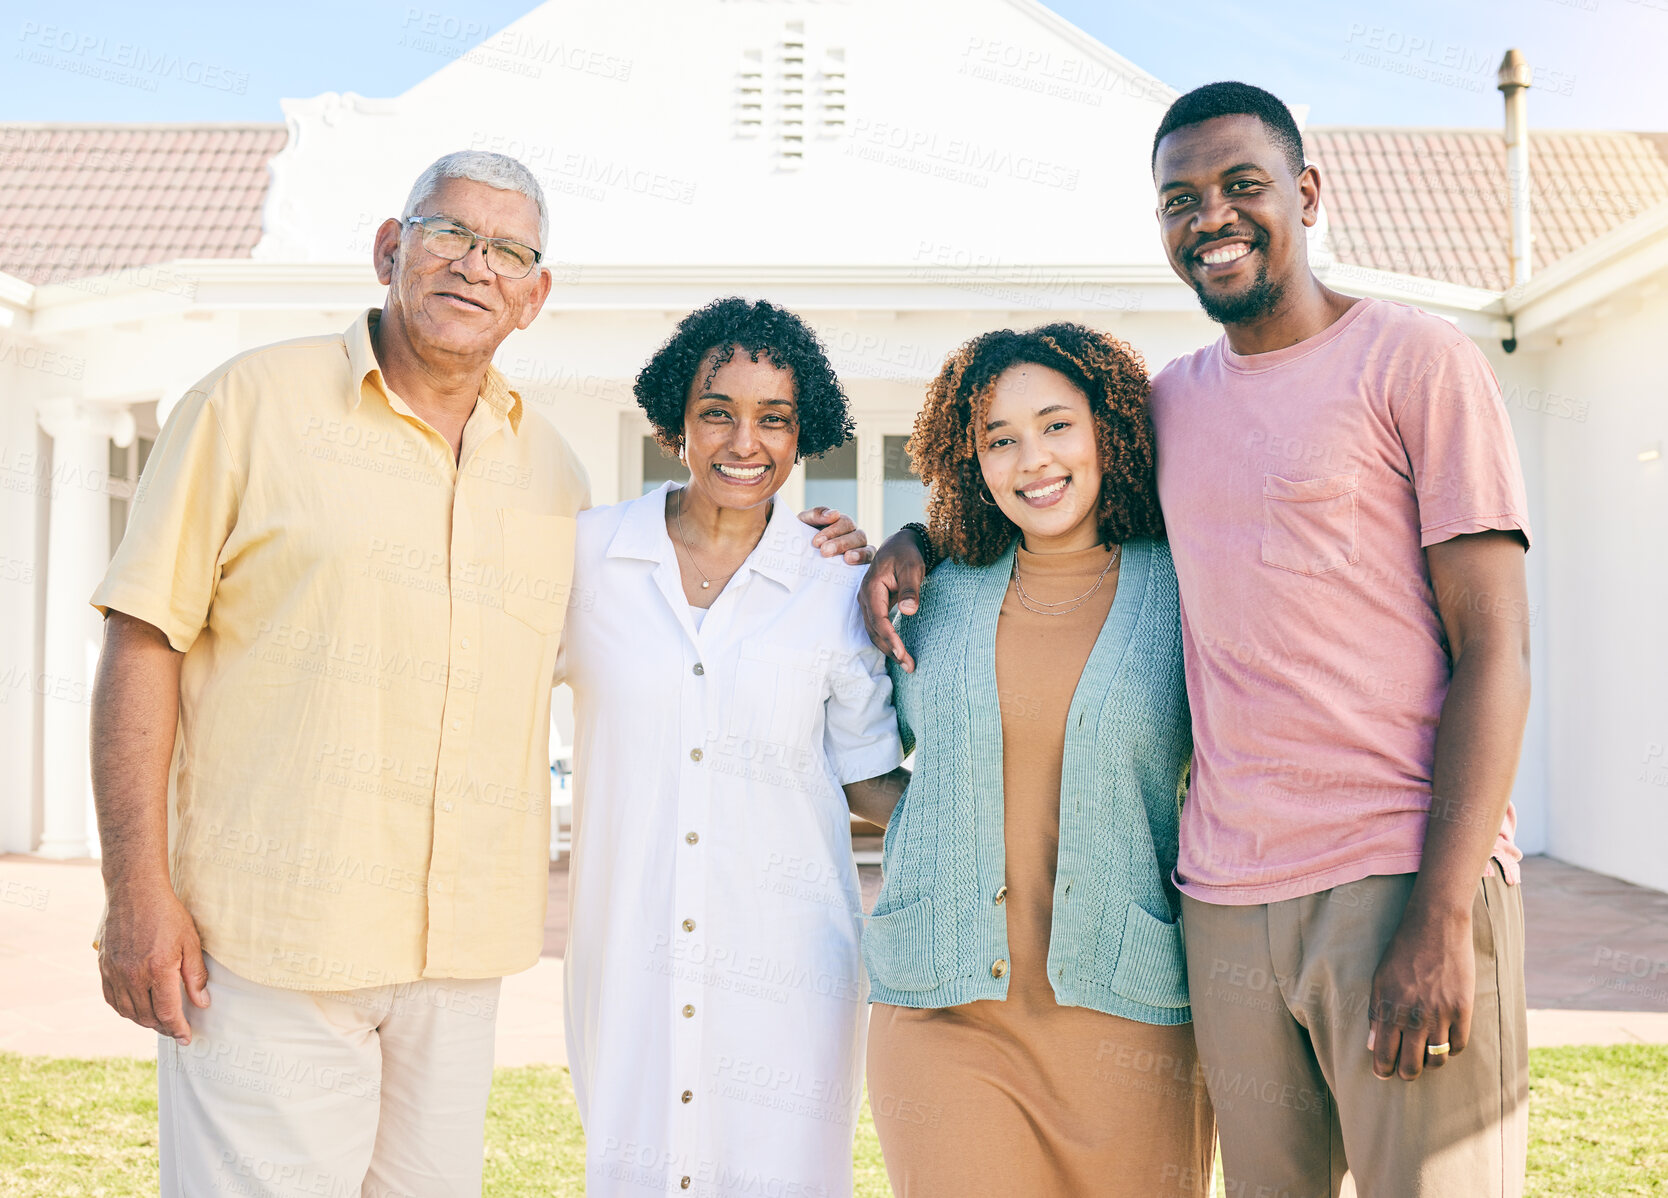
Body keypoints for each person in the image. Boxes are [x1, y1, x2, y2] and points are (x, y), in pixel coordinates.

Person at [87, 154, 870, 1198]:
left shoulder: (550, 475)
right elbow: (144, 639)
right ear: (388, 248)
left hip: (456, 965)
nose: (474, 265)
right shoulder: (252, 403)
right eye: (449, 233)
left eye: (509, 250)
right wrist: (135, 892)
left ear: (535, 296)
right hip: (271, 940)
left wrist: (880, 553)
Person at [860, 82, 1533, 1198]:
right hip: (1222, 910)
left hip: (1395, 873)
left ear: (1306, 194)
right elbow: (1043, 482)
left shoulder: (1417, 362)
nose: (1211, 215)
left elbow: (1496, 650)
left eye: (1242, 186)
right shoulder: (1170, 406)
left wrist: (1446, 908)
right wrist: (917, 537)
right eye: (1181, 198)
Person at [558, 296, 909, 1198]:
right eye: (718, 411)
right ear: (678, 419)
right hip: (627, 953)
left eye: (774, 419)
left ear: (804, 437)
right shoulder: (587, 558)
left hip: (791, 963)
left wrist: (1000, 819)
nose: (743, 442)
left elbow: (868, 781)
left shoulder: (834, 581)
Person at [862, 323, 1214, 1196]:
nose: (1033, 459)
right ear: (970, 458)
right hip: (943, 1011)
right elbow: (853, 757)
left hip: (1130, 1017)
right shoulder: (927, 596)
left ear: (1109, 431)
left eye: (1057, 425)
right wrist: (943, 811)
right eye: (1000, 438)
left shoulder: (1185, 587)